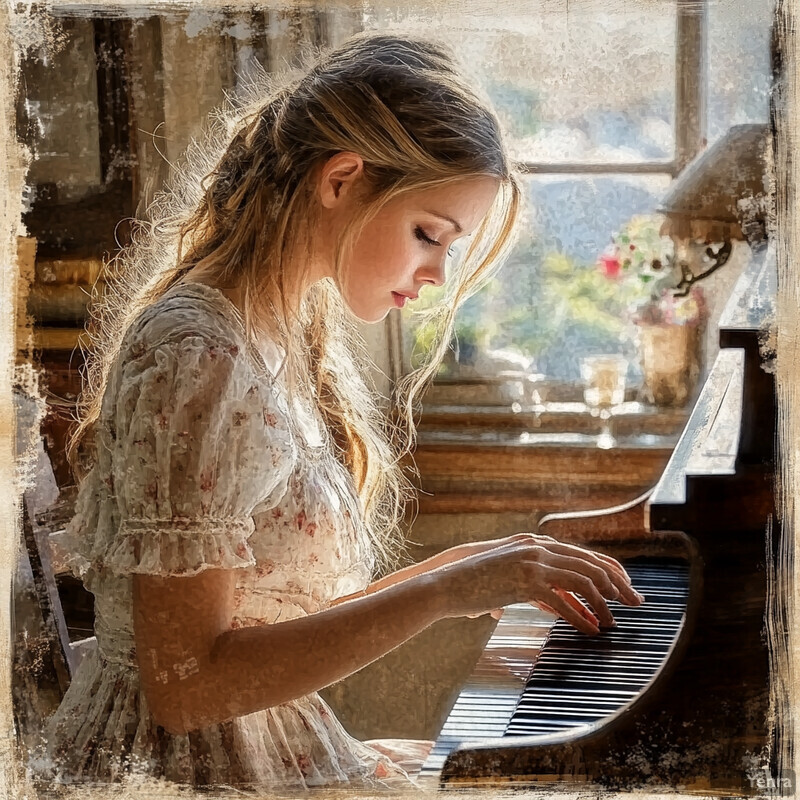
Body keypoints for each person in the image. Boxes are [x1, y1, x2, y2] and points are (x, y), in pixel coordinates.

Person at [34, 32, 643, 792]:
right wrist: (441, 594)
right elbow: (186, 689)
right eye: (430, 234)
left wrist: (469, 570)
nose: (434, 275)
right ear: (342, 179)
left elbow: (253, 612)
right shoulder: (196, 356)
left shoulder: (276, 330)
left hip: (256, 748)